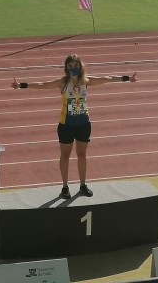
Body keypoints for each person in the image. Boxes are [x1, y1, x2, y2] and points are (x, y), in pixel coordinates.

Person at [12, 54, 137, 199]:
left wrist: (128, 78)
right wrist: (21, 85)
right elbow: (43, 85)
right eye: (70, 66)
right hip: (66, 125)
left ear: (80, 66)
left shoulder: (86, 81)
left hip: (84, 124)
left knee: (82, 155)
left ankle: (83, 185)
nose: (73, 68)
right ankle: (65, 187)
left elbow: (107, 79)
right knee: (65, 155)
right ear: (66, 68)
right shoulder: (62, 83)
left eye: (76, 65)